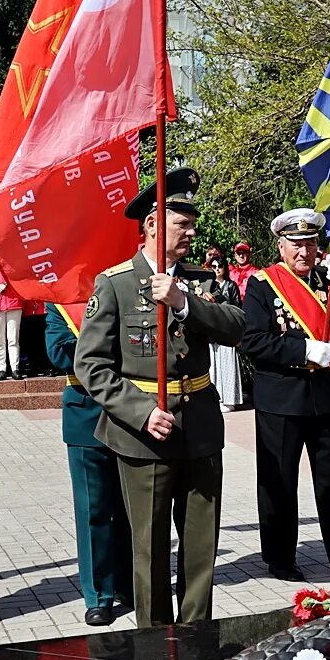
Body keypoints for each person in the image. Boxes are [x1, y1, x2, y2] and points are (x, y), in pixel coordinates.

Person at [73, 168, 245, 626]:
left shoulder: (202, 280)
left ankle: (196, 642)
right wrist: (142, 411)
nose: (192, 231)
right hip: (144, 434)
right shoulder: (116, 283)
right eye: (181, 223)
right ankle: (154, 649)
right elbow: (90, 364)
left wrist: (186, 303)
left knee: (200, 550)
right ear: (152, 224)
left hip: (202, 428)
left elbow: (237, 327)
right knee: (148, 550)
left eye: (192, 222)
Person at [241, 208, 330, 581]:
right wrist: (302, 351)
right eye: (296, 245)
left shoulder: (329, 281)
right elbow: (253, 341)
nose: (304, 252)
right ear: (281, 247)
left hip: (326, 397)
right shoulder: (263, 285)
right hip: (281, 399)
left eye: (310, 244)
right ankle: (281, 559)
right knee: (279, 481)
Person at [46, 304, 135, 625]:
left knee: (131, 507)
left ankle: (130, 584)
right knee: (93, 510)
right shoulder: (61, 302)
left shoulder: (128, 289)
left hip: (131, 412)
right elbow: (58, 352)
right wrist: (111, 347)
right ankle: (99, 594)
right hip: (86, 413)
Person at [205, 246, 245, 412]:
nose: (216, 270)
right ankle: (215, 398)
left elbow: (237, 307)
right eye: (213, 267)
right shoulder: (207, 285)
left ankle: (229, 400)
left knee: (228, 366)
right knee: (213, 367)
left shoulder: (231, 285)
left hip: (227, 330)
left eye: (219, 267)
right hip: (212, 332)